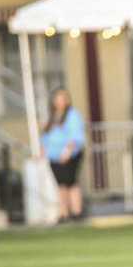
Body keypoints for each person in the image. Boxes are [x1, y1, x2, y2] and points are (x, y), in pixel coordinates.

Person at [41, 88, 86, 223]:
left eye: (62, 99)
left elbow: (75, 135)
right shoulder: (52, 116)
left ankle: (76, 212)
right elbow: (46, 136)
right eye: (57, 99)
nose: (59, 102)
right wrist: (43, 150)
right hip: (54, 156)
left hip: (69, 155)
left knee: (71, 182)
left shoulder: (72, 115)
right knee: (61, 184)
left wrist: (67, 151)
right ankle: (64, 213)